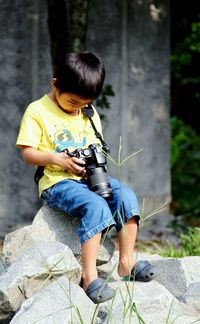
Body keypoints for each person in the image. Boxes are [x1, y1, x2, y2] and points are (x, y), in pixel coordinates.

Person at [16, 52, 160, 304]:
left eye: (85, 103)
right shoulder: (37, 110)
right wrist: (58, 159)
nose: (78, 108)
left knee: (126, 196)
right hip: (57, 181)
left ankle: (126, 263)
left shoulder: (88, 112)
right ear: (55, 84)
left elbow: (96, 148)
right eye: (73, 102)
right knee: (95, 206)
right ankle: (89, 277)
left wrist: (88, 163)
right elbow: (28, 153)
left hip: (88, 177)